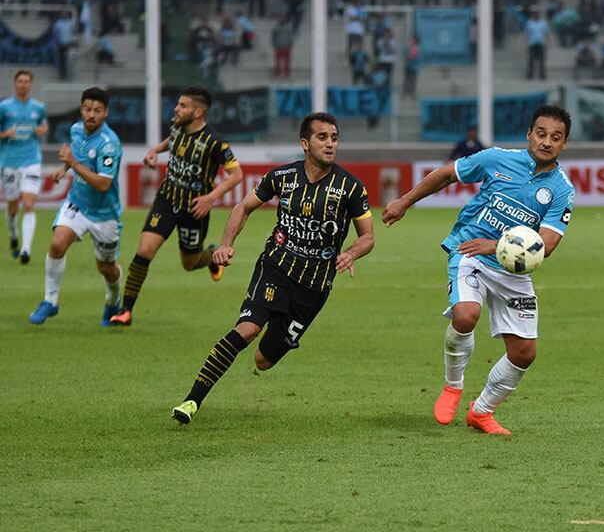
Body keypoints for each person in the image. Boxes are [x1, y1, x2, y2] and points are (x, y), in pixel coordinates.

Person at [382, 105, 575, 435]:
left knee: (524, 354)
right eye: (541, 134)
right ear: (529, 134)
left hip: (513, 270)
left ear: (564, 144)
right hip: (468, 251)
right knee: (466, 315)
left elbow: (548, 243)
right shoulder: (497, 158)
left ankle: (481, 412)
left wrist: (497, 244)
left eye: (555, 138)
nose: (546, 142)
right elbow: (446, 175)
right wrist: (404, 202)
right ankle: (453, 386)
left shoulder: (561, 190)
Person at [171, 112, 375, 425]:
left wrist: (350, 253)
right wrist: (226, 242)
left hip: (313, 288)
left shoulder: (351, 188)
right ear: (305, 144)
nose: (330, 144)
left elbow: (368, 237)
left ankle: (281, 329)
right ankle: (192, 400)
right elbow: (244, 207)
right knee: (247, 330)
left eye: (334, 138)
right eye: (323, 137)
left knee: (263, 360)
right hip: (276, 267)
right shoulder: (282, 177)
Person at [110, 86, 243, 326]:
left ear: (198, 111)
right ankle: (126, 310)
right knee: (145, 251)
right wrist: (155, 150)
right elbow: (172, 140)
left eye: (182, 105)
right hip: (167, 200)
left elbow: (236, 175)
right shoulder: (178, 126)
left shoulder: (215, 141)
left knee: (189, 263)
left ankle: (212, 257)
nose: (176, 108)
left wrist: (210, 198)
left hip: (194, 209)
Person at [28, 87, 123, 326]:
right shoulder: (76, 130)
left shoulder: (109, 144)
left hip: (104, 214)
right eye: (87, 109)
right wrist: (64, 169)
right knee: (57, 244)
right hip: (77, 204)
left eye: (97, 111)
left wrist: (71, 162)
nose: (91, 115)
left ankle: (113, 301)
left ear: (106, 113)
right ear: (81, 109)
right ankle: (50, 301)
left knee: (106, 268)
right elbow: (78, 157)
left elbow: (103, 184)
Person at [0, 70, 49, 264]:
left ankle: (26, 250)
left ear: (30, 84)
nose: (23, 84)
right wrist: (5, 133)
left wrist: (42, 130)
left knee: (28, 204)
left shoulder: (38, 107)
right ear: (14, 83)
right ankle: (14, 235)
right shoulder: (4, 108)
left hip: (31, 160)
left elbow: (44, 126)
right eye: (20, 81)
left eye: (27, 81)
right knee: (12, 208)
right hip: (10, 162)